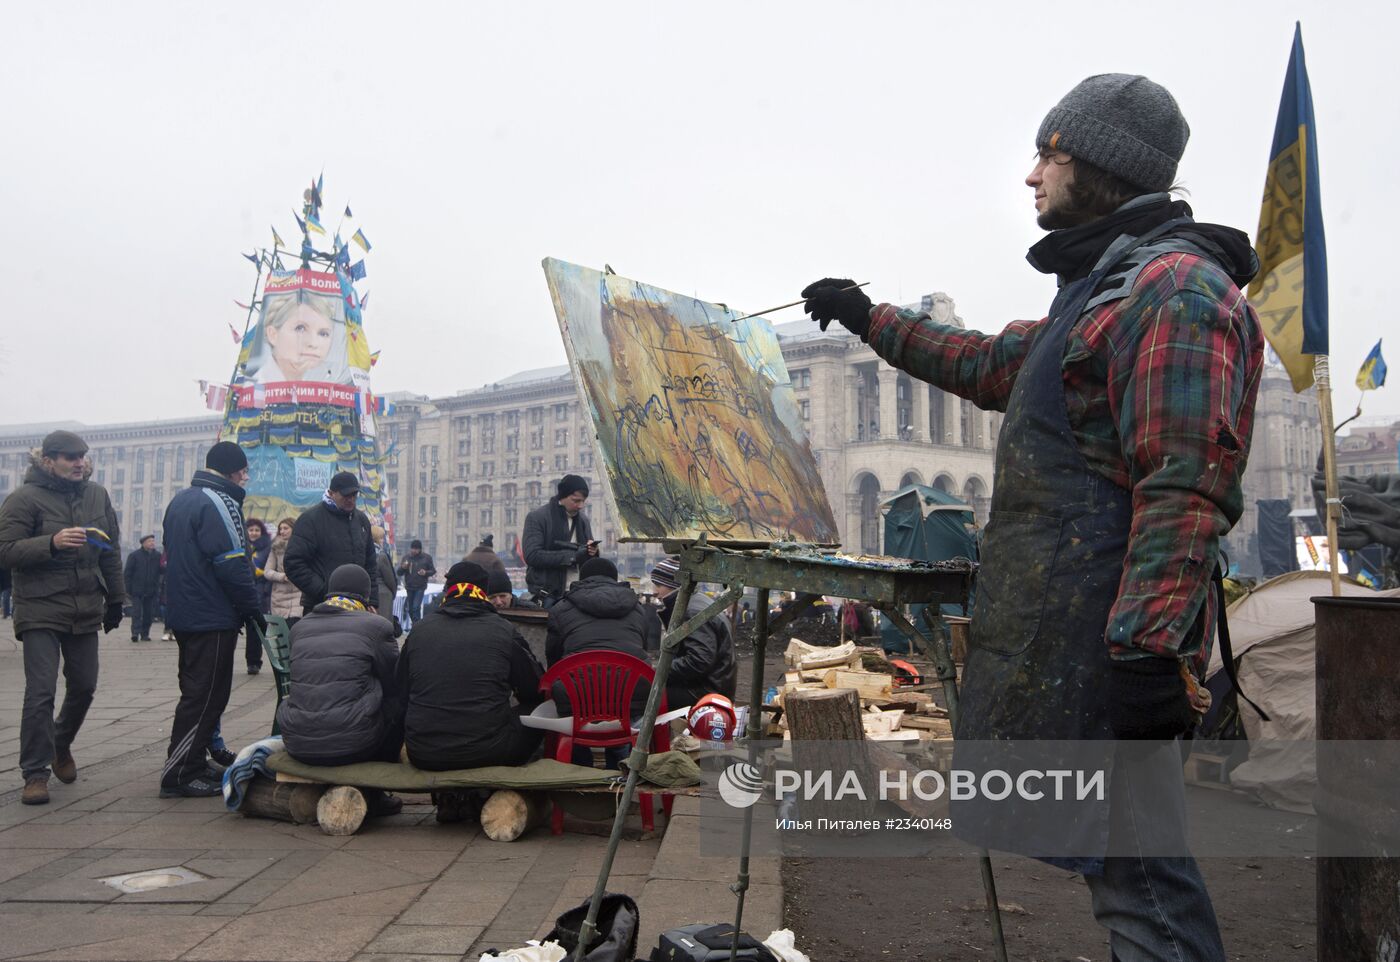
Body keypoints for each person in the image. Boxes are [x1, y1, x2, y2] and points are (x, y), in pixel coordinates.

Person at [800, 74, 1261, 958]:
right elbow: (987, 361)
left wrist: (1148, 651)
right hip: (1079, 632)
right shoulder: (1106, 287)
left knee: (1142, 884)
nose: (1031, 175)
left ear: (1101, 167)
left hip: (1111, 639)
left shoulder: (1175, 291)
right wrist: (868, 317)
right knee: (1127, 875)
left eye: (1050, 153)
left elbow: (1183, 486)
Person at [0, 431, 125, 806]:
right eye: (69, 457)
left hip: (85, 605)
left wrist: (117, 599)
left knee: (85, 685)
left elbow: (110, 550)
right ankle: (35, 773)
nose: (78, 463)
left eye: (81, 457)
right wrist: (50, 544)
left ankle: (61, 742)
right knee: (41, 691)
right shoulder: (23, 499)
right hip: (39, 607)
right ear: (48, 460)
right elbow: (5, 552)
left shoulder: (96, 495)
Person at [159, 441, 266, 797]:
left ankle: (190, 760)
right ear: (234, 471)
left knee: (196, 691)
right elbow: (233, 564)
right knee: (206, 695)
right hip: (211, 615)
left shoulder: (182, 499)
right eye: (245, 471)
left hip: (186, 612)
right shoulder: (221, 503)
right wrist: (252, 609)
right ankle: (179, 773)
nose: (246, 478)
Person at [277, 564, 403, 816]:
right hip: (355, 744)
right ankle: (376, 793)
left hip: (298, 741)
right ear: (365, 596)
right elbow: (395, 681)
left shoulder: (300, 627)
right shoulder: (375, 626)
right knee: (395, 700)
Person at [397, 561, 544, 773]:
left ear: (449, 591)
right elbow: (534, 689)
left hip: (425, 753)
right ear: (484, 593)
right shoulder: (502, 630)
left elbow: (400, 694)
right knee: (536, 711)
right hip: (491, 753)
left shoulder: (419, 631)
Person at [546, 557, 659, 768]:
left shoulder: (560, 609)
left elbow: (553, 659)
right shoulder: (637, 609)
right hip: (631, 696)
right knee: (625, 711)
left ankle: (580, 768)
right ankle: (620, 761)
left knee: (572, 707)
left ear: (581, 580)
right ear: (615, 580)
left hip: (576, 699)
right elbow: (639, 648)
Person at [284, 471, 379, 615]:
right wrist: (324, 590)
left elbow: (370, 564)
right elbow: (293, 563)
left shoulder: (361, 521)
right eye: (345, 495)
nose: (351, 499)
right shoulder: (311, 520)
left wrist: (372, 600)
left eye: (354, 495)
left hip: (358, 607)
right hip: (321, 607)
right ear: (331, 493)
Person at [647, 557, 736, 709]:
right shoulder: (696, 603)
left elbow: (699, 660)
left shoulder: (691, 610)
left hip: (704, 692)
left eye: (658, 584)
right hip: (712, 686)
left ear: (673, 584)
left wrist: (659, 670)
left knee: (643, 693)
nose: (654, 592)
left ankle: (645, 731)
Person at [522, 474, 598, 607]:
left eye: (583, 501)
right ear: (563, 497)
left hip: (577, 594)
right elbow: (532, 555)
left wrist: (592, 551)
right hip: (547, 595)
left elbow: (590, 560)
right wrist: (572, 557)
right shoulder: (537, 518)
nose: (580, 506)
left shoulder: (584, 521)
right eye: (576, 500)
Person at [249, 295, 338, 384]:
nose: (313, 343)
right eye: (300, 328)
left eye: (323, 333)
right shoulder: (256, 390)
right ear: (273, 335)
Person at [261, 517, 303, 625]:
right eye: (280, 529)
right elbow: (267, 571)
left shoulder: (303, 547)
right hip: (279, 597)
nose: (282, 531)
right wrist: (281, 576)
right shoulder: (276, 548)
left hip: (299, 597)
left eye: (286, 528)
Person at [243, 518, 272, 673]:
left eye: (256, 530)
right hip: (241, 589)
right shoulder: (240, 545)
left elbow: (269, 571)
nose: (253, 533)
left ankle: (253, 662)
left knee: (255, 628)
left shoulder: (267, 548)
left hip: (259, 591)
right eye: (250, 530)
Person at [123, 534, 162, 643]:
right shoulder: (134, 556)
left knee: (148, 614)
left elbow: (161, 571)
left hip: (151, 590)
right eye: (150, 541)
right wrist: (129, 589)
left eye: (153, 541)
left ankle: (145, 634)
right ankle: (135, 633)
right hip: (137, 590)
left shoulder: (157, 556)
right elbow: (128, 573)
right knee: (137, 613)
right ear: (143, 543)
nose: (152, 543)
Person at [397, 539, 435, 629]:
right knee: (410, 609)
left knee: (415, 607)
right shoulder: (406, 558)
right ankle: (416, 624)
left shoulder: (427, 558)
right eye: (412, 548)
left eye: (415, 549)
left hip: (420, 587)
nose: (413, 551)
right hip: (409, 586)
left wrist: (425, 572)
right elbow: (399, 573)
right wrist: (403, 567)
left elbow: (433, 571)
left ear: (419, 549)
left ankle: (416, 627)